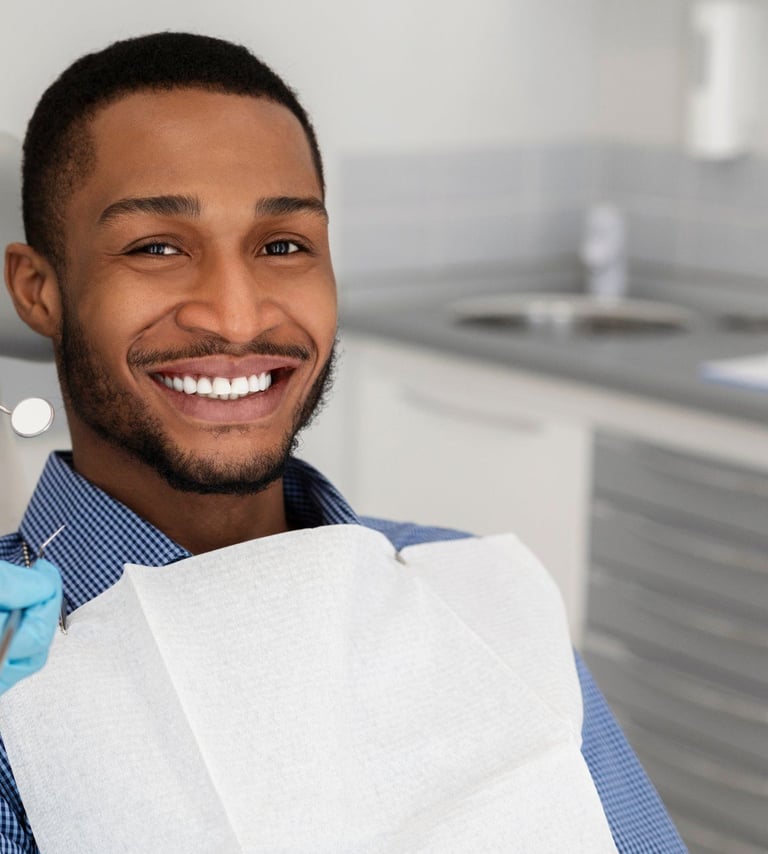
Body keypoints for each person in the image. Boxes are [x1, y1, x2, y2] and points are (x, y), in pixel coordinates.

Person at [0, 32, 686, 853]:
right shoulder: (16, 673)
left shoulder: (474, 597)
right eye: (157, 248)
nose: (237, 315)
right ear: (38, 292)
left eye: (283, 246)